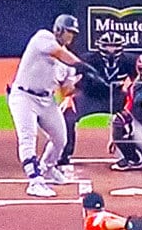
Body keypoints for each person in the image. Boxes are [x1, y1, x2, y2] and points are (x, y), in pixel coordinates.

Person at [7, 14, 85, 197]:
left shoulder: (68, 65)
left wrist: (83, 83)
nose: (70, 37)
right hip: (23, 97)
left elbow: (65, 91)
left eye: (73, 34)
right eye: (68, 32)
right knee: (28, 137)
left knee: (60, 138)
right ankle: (34, 181)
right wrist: (83, 65)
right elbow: (58, 53)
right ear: (59, 29)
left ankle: (47, 168)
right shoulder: (43, 38)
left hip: (47, 100)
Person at [58, 32, 136, 169]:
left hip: (115, 97)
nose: (110, 50)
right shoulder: (88, 59)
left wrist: (131, 104)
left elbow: (136, 85)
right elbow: (69, 78)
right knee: (67, 115)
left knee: (138, 111)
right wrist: (68, 97)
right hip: (89, 96)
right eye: (107, 46)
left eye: (114, 46)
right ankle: (64, 154)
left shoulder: (129, 61)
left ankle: (133, 153)